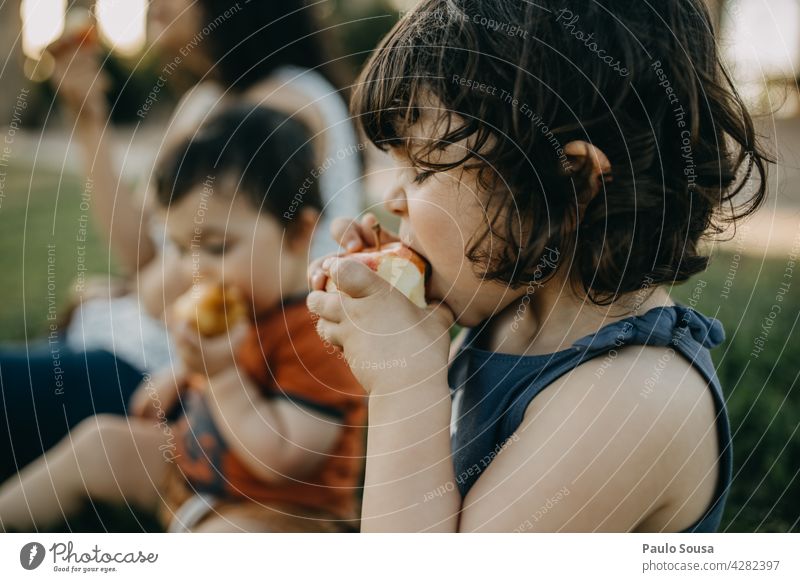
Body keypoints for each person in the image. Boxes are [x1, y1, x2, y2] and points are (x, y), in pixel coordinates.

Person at [307, 0, 770, 532]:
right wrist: (400, 330)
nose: (390, 200)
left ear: (567, 183)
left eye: (424, 168)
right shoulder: (508, 320)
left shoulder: (630, 402)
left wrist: (405, 385)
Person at [0, 0, 363, 481]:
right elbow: (147, 253)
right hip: (157, 361)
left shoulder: (281, 106)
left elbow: (159, 292)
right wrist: (88, 118)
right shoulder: (205, 100)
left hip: (192, 378)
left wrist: (142, 289)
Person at [0, 105, 367, 533]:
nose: (194, 271)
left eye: (216, 248)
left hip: (276, 512)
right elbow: (235, 372)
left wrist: (218, 375)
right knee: (100, 442)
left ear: (299, 234)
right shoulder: (243, 312)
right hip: (197, 472)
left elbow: (284, 458)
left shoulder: (322, 331)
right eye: (179, 248)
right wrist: (184, 374)